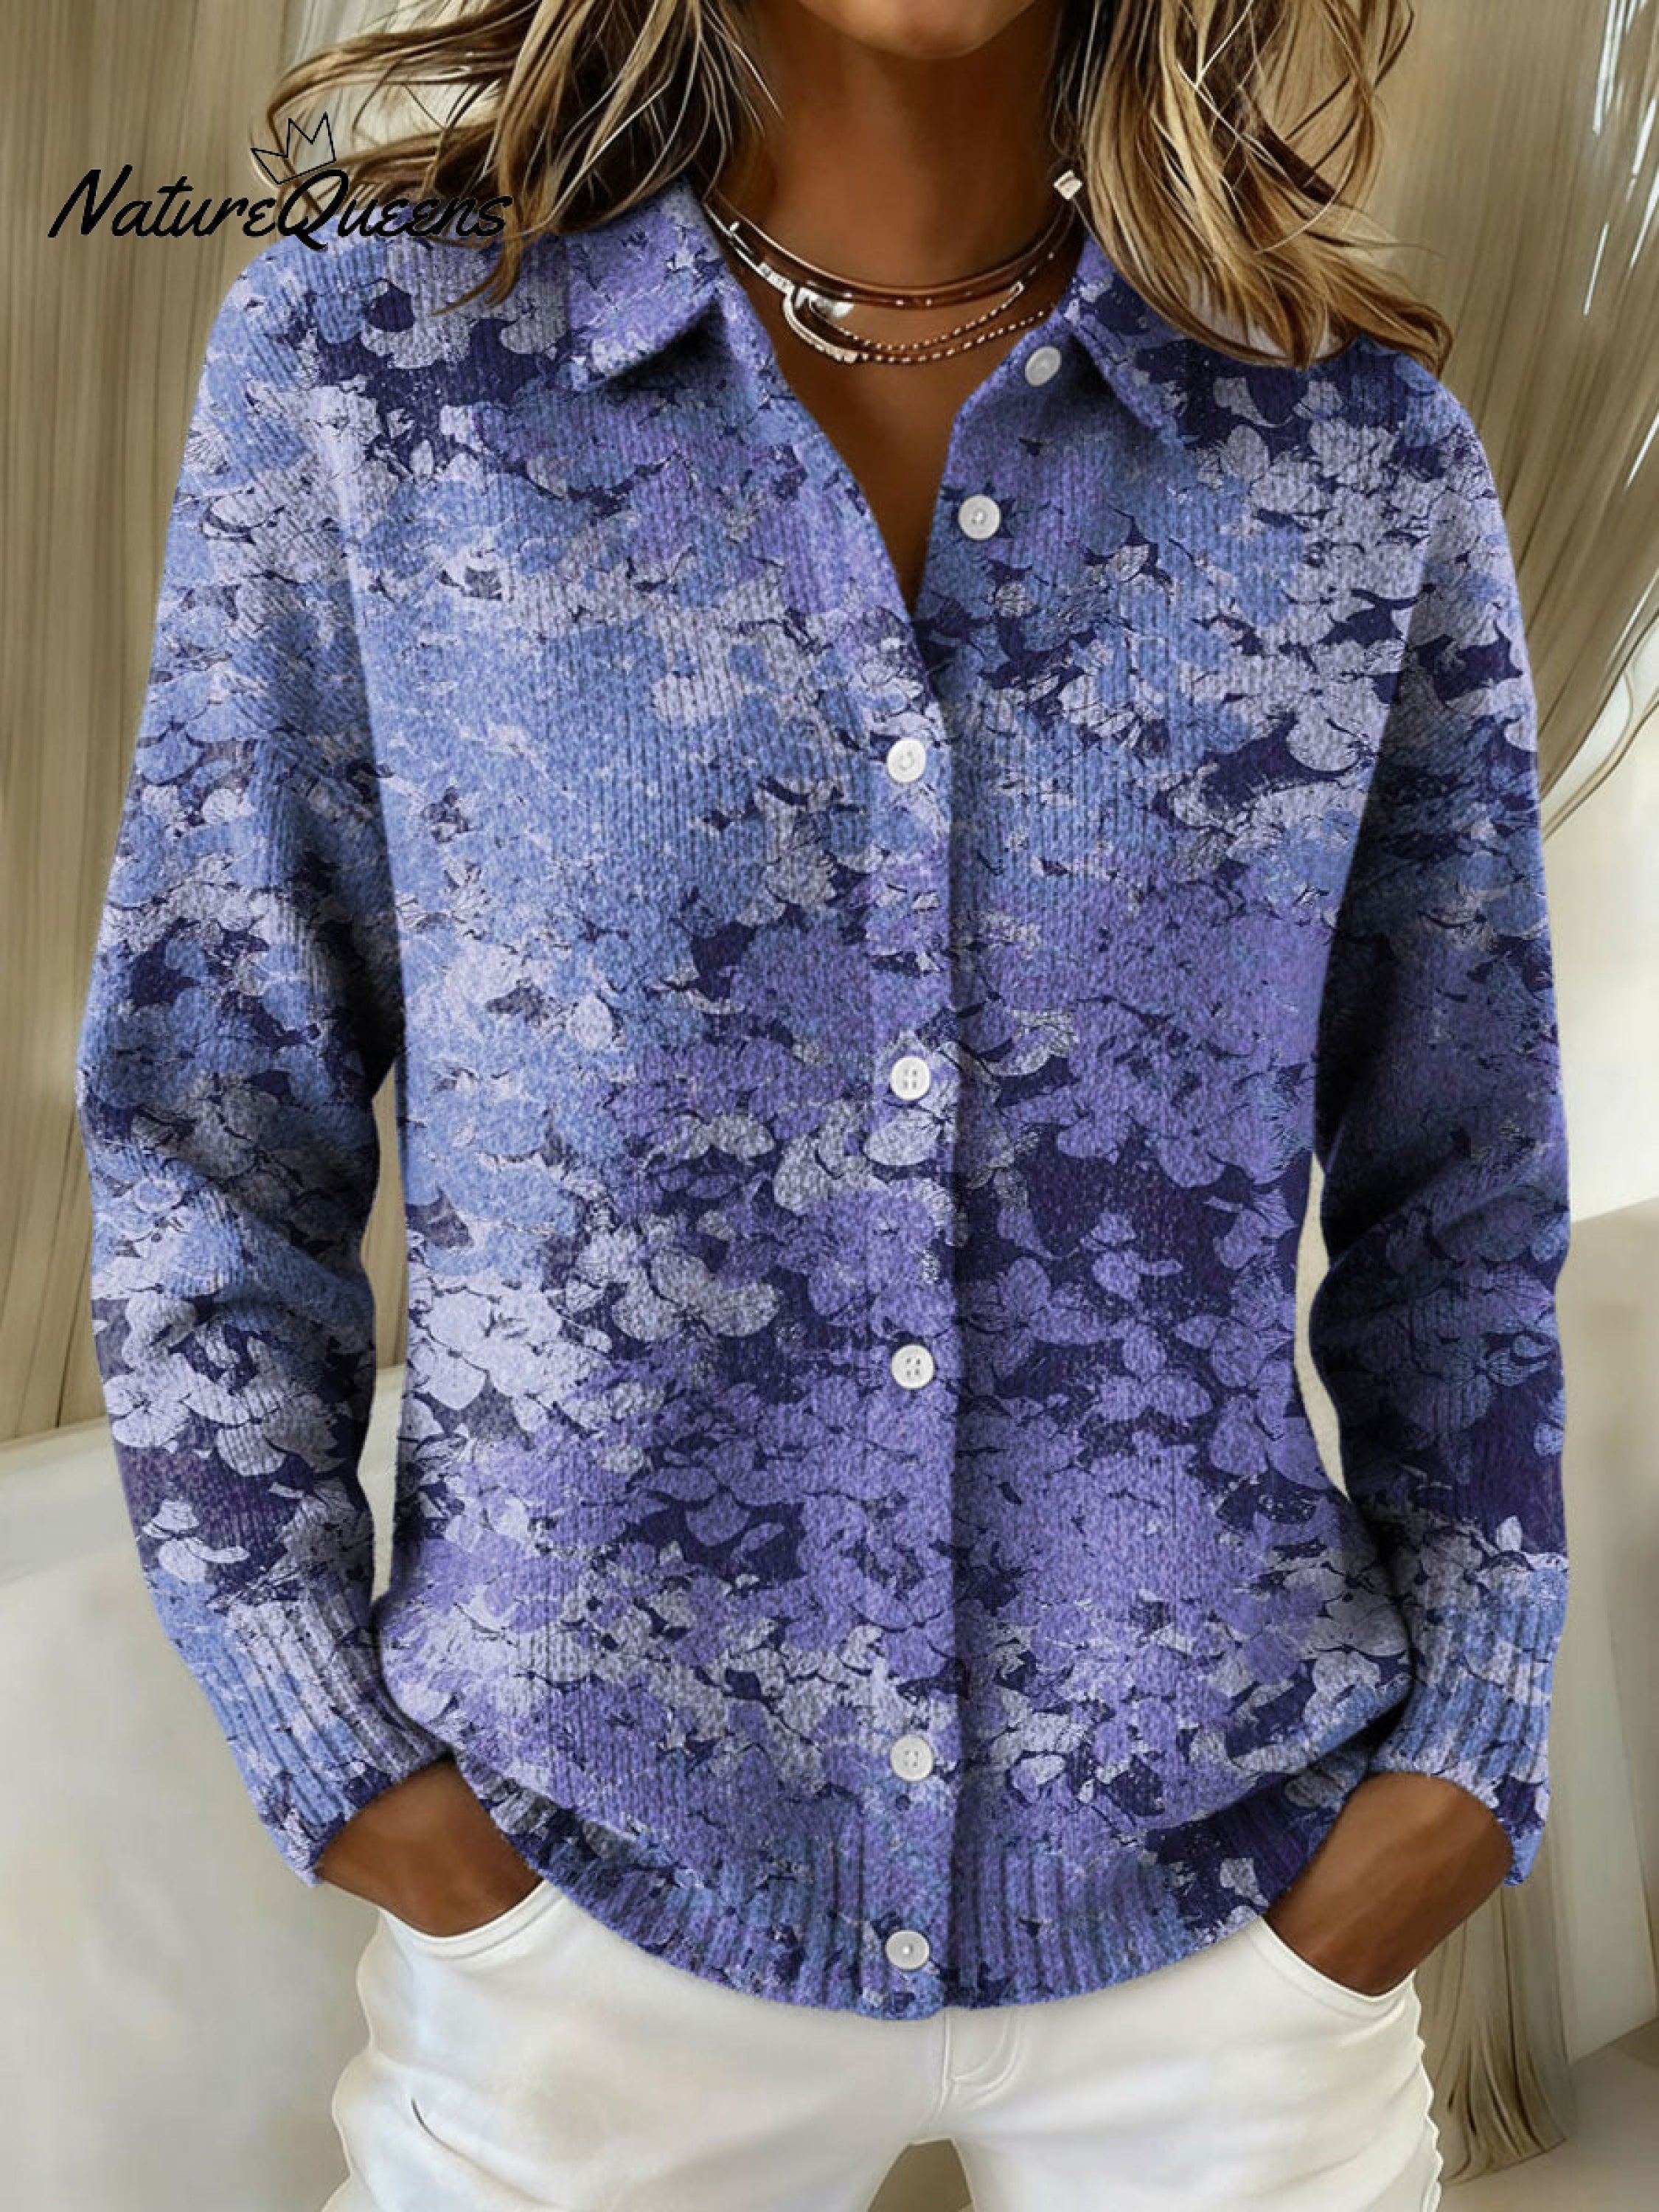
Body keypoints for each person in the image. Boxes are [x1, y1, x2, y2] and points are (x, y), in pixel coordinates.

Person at [72, 1, 1571, 2207]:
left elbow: (1466, 1185)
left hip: (1239, 1923)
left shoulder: (1344, 453)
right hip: (580, 1924)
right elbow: (212, 1120)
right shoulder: (380, 372)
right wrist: (348, 1760)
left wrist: (1462, 1759)